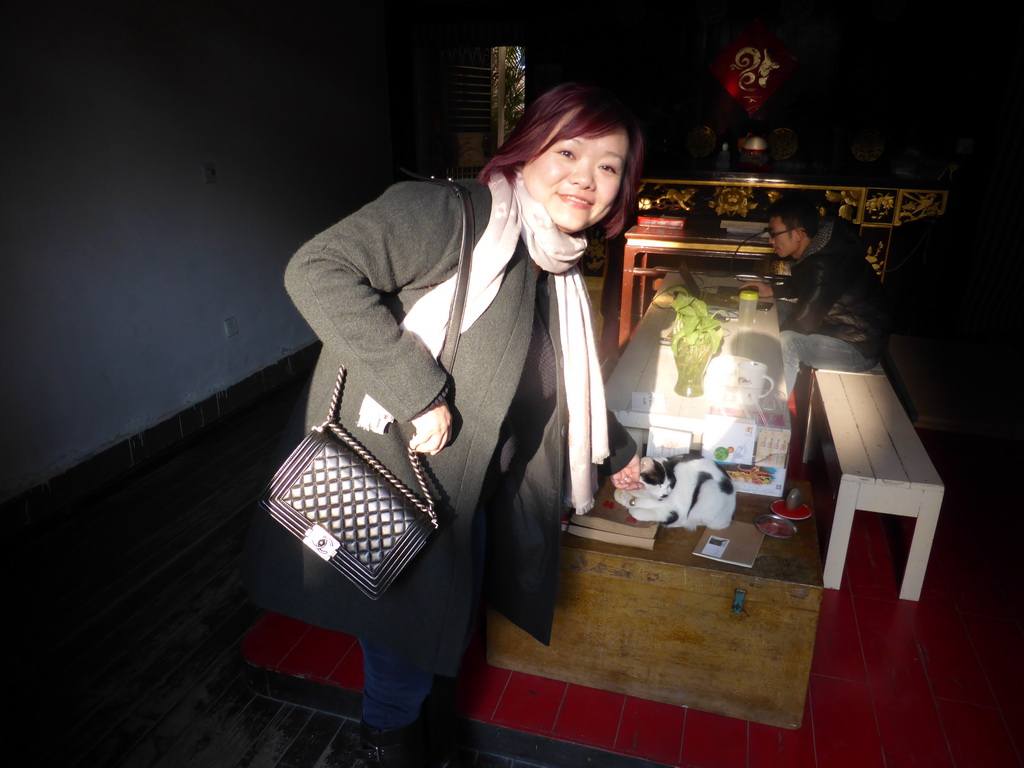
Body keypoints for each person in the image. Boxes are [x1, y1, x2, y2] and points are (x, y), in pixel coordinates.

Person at [242, 83, 646, 768]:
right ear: (528, 148)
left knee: (441, 636)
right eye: (569, 150)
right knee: (403, 652)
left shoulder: (551, 260)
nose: (587, 176)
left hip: (469, 492)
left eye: (609, 166)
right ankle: (391, 750)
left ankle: (434, 751)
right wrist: (419, 390)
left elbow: (552, 371)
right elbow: (316, 269)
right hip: (401, 478)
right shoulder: (453, 212)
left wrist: (618, 451)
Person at [741, 193, 890, 395]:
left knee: (788, 343)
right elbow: (806, 287)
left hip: (858, 347)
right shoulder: (818, 250)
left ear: (798, 234)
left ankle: (774, 406)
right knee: (778, 308)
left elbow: (804, 323)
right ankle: (750, 357)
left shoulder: (826, 264)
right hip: (834, 328)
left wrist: (766, 343)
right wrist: (771, 290)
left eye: (774, 233)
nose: (770, 240)